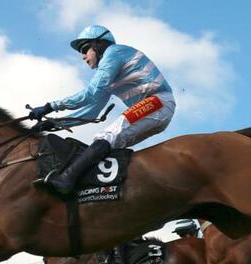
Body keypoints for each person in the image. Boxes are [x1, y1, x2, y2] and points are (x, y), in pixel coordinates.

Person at [29, 24, 176, 195]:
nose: (83, 57)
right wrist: (54, 124)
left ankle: (66, 180)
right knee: (110, 145)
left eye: (85, 49)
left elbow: (90, 93)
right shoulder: (110, 73)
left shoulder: (114, 53)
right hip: (156, 107)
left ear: (99, 44)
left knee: (105, 136)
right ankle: (106, 191)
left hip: (157, 102)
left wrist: (50, 107)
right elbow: (91, 112)